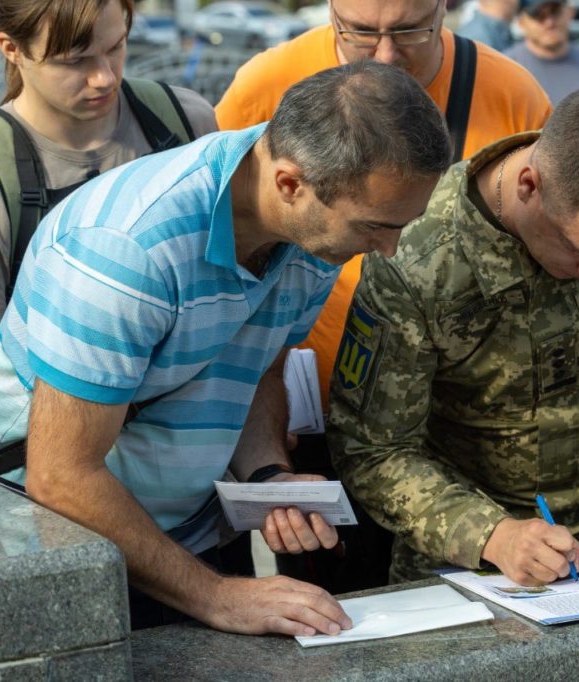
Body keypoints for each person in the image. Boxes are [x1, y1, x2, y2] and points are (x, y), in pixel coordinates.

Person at [0, 61, 453, 633]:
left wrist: (267, 477)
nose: (387, 249)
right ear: (290, 184)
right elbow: (61, 476)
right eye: (373, 226)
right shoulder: (126, 248)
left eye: (400, 226)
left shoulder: (314, 234)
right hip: (54, 553)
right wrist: (218, 597)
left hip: (185, 538)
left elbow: (256, 366)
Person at [328, 87, 579, 590]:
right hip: (467, 557)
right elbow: (373, 448)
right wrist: (492, 535)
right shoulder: (419, 254)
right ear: (529, 184)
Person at [215, 0, 551, 411]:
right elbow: (216, 241)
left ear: (444, 8)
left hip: (447, 419)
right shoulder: (265, 85)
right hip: (291, 405)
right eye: (360, 31)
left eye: (410, 30)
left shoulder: (514, 97)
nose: (386, 55)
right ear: (331, 11)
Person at [0, 0, 216, 407]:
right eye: (74, 61)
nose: (104, 77)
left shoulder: (186, 124)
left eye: (116, 46)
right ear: (12, 48)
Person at [504, 0, 579, 105]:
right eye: (538, 15)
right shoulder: (506, 71)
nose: (549, 23)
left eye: (555, 12)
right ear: (521, 22)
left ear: (570, 13)